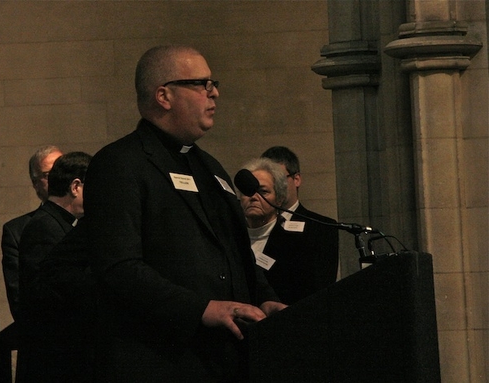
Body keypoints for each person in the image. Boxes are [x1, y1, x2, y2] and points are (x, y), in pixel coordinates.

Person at [82, 45, 286, 382]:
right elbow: (119, 269)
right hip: (160, 360)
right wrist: (201, 309)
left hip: (225, 361)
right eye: (202, 84)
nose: (214, 92)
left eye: (213, 83)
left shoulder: (212, 169)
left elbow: (235, 254)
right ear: (164, 95)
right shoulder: (120, 164)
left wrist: (265, 300)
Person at [16, 151, 92, 383]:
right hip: (56, 362)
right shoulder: (44, 227)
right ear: (75, 187)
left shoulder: (58, 223)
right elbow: (52, 296)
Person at [258, 146, 340, 304]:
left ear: (297, 179)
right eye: (269, 181)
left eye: (279, 180)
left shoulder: (321, 227)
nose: (275, 187)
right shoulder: (251, 223)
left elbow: (320, 288)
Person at [0, 145, 62, 321]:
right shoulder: (18, 230)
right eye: (49, 175)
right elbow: (19, 298)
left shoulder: (92, 220)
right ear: (35, 184)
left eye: (63, 170)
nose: (59, 178)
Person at [238, 157, 289, 261]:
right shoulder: (230, 238)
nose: (253, 197)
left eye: (263, 191)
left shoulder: (291, 240)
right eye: (248, 190)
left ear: (279, 199)